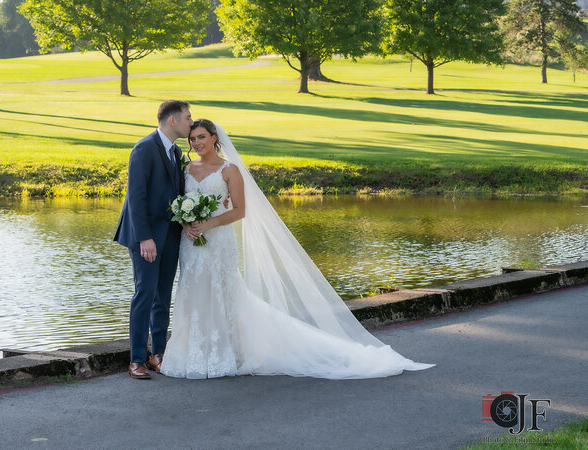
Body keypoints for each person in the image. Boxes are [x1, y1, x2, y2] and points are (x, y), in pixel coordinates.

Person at [160, 119, 434, 379]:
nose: (196, 143)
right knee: (192, 290)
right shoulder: (186, 168)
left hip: (218, 240)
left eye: (202, 137)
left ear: (214, 138)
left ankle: (226, 354)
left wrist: (209, 223)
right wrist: (187, 224)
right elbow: (182, 203)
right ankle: (190, 355)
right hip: (191, 242)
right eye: (193, 138)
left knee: (222, 292)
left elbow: (241, 210)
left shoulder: (229, 169)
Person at [113, 100, 192, 379]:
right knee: (144, 294)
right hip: (144, 237)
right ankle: (136, 359)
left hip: (170, 235)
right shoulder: (144, 148)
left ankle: (158, 354)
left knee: (162, 296)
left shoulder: (176, 150)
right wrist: (145, 238)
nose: (191, 122)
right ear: (172, 120)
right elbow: (136, 197)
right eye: (187, 117)